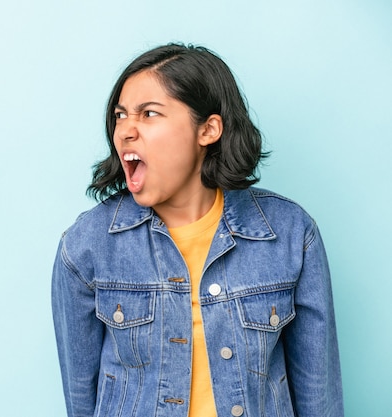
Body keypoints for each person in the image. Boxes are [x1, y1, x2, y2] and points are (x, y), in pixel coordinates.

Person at [51, 43, 343, 417]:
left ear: (208, 129)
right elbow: (81, 398)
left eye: (149, 113)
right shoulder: (86, 245)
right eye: (121, 115)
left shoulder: (289, 235)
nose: (125, 129)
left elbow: (319, 395)